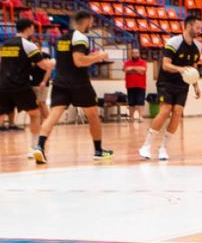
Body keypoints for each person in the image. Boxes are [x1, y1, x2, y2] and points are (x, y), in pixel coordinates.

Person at [34, 10, 112, 163]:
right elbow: (79, 61)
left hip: (60, 82)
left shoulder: (62, 38)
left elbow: (68, 59)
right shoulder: (80, 37)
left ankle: (40, 146)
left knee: (52, 116)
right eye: (91, 22)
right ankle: (98, 150)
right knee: (93, 115)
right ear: (87, 21)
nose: (92, 25)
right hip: (79, 83)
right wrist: (99, 56)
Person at [139, 15, 202, 161]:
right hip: (166, 82)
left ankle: (163, 148)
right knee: (165, 111)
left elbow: (193, 68)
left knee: (177, 113)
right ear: (189, 26)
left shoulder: (198, 47)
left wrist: (196, 86)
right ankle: (146, 146)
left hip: (182, 85)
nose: (200, 31)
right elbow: (165, 65)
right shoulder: (173, 42)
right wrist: (180, 69)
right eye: (197, 27)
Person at [0, 17, 54, 156]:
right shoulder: (28, 45)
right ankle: (34, 147)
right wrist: (52, 63)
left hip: (3, 84)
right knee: (35, 114)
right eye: (33, 27)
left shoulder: (5, 44)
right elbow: (44, 65)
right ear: (29, 27)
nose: (34, 29)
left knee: (1, 115)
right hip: (20, 86)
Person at [123, 47, 147, 122]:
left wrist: (132, 69)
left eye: (136, 53)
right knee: (131, 102)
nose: (135, 54)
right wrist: (137, 70)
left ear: (139, 54)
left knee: (141, 102)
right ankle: (131, 117)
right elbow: (126, 70)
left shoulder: (143, 62)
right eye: (133, 53)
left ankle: (140, 117)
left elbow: (143, 70)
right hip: (130, 85)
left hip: (141, 85)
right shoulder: (127, 63)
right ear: (131, 54)